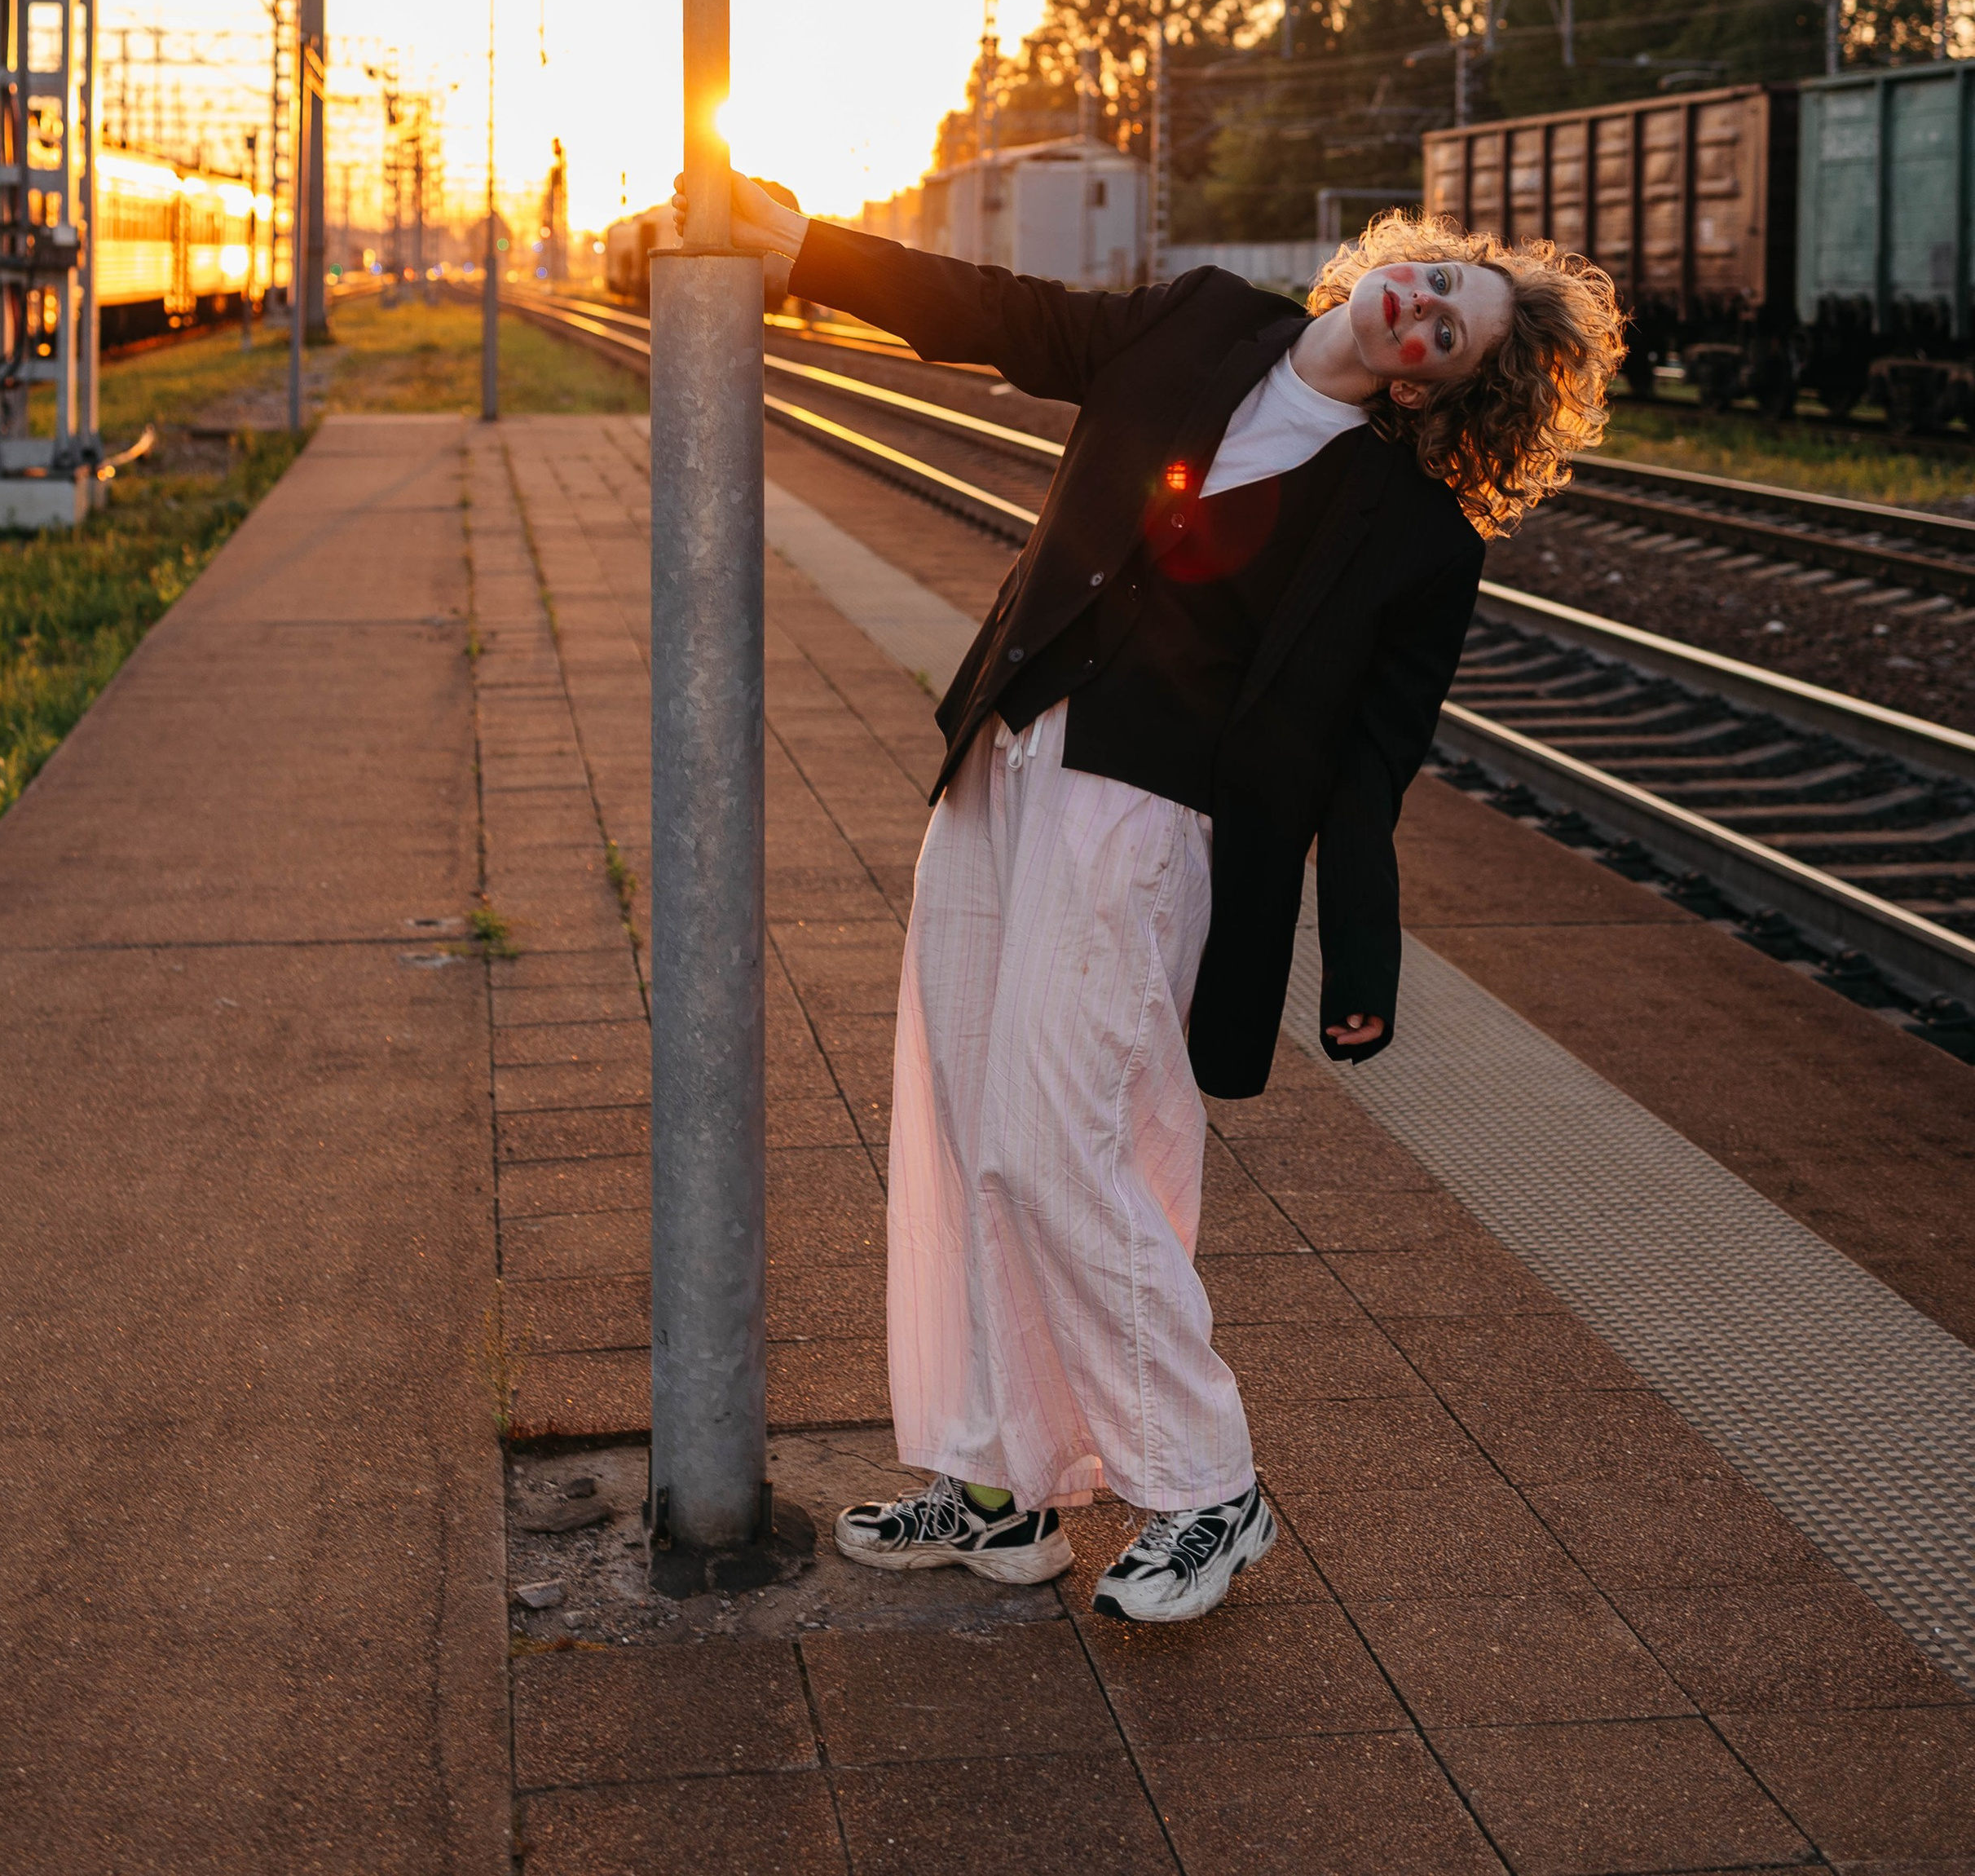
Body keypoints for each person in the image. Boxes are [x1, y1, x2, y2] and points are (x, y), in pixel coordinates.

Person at [679, 173, 1623, 1623]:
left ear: (1434, 391)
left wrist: (1360, 962)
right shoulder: (1203, 320)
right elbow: (1010, 317)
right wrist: (808, 249)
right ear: (1399, 263)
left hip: (1147, 817)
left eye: (1452, 338)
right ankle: (999, 1491)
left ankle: (1207, 1484)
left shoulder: (1418, 534)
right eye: (1437, 282)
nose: (1423, 314)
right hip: (1011, 750)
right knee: (968, 1120)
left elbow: (1373, 763)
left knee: (1057, 1140)